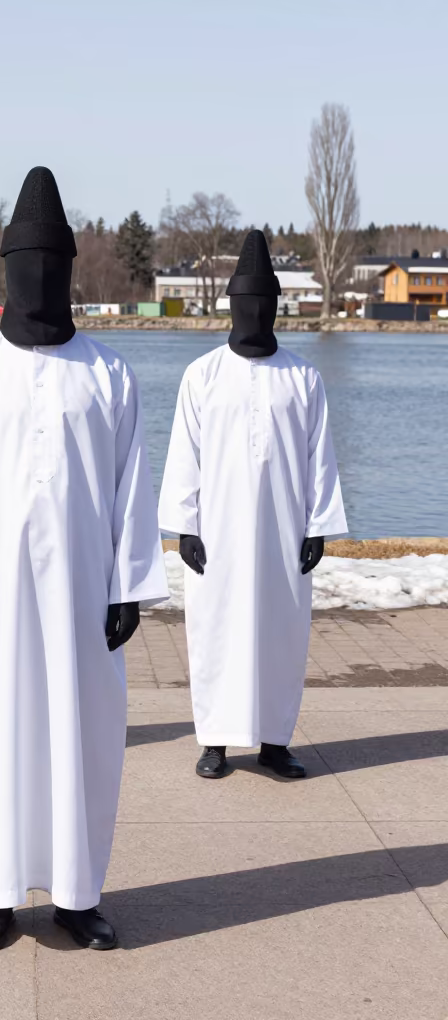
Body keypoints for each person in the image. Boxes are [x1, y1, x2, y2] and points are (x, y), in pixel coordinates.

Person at [0, 167, 166, 952]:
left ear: (70, 272)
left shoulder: (110, 374)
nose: (41, 277)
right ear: (7, 269)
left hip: (84, 600)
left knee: (82, 738)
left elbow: (132, 491)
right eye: (28, 262)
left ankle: (80, 896)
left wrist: (130, 588)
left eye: (55, 264)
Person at [158, 229, 347, 780]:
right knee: (216, 628)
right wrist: (184, 526)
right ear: (234, 306)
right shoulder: (203, 375)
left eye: (265, 303)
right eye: (247, 303)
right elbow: (183, 454)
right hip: (217, 532)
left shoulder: (304, 377)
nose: (255, 312)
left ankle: (273, 741)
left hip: (285, 532)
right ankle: (214, 741)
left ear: (275, 308)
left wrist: (319, 526)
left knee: (282, 635)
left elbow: (321, 457)